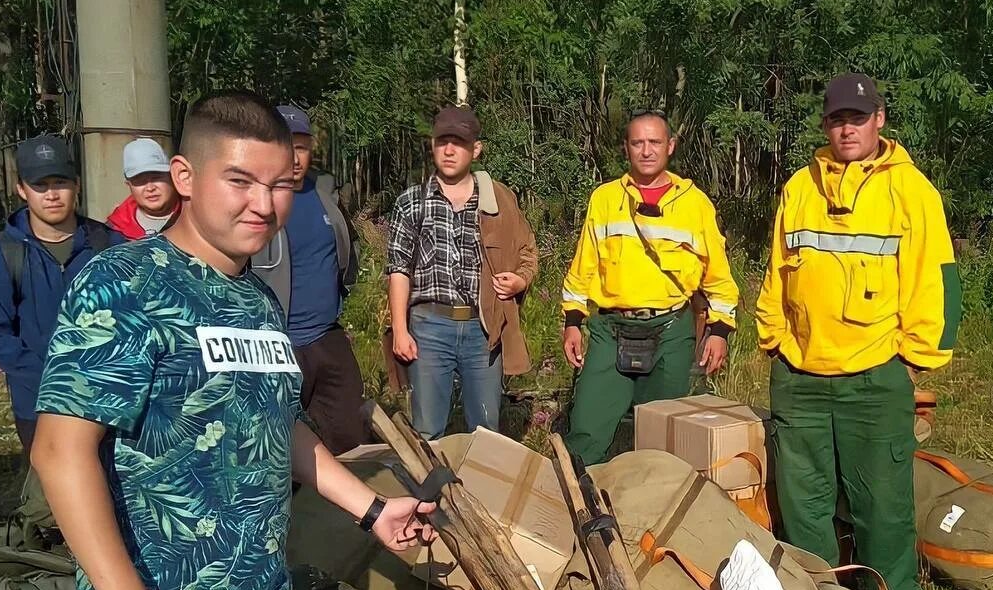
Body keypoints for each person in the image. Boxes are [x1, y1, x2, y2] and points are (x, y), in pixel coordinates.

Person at [29, 91, 436, 590]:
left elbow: (280, 426)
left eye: (281, 184)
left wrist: (372, 509)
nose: (265, 203)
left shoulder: (254, 300)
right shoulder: (125, 285)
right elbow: (60, 451)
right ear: (184, 175)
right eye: (241, 181)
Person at [754, 73, 962, 590]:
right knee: (804, 506)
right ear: (826, 124)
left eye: (858, 118)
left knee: (882, 506)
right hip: (799, 378)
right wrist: (773, 338)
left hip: (873, 377)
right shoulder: (801, 186)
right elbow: (778, 270)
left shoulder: (910, 190)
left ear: (879, 120)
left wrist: (916, 360)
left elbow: (935, 281)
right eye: (838, 119)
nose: (847, 129)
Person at [560, 111, 740, 464]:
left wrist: (719, 330)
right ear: (626, 148)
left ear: (670, 146)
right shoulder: (605, 199)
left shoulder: (694, 204)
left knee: (663, 439)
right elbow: (583, 267)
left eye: (654, 142)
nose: (646, 151)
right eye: (637, 142)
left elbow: (718, 276)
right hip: (610, 330)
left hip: (670, 331)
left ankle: (652, 512)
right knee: (585, 432)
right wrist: (572, 322)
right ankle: (577, 509)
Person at [386, 105, 537, 439]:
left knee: (486, 433)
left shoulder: (499, 200)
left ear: (476, 149)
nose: (450, 150)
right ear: (432, 145)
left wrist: (520, 280)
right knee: (426, 431)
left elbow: (527, 250)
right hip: (428, 326)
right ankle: (430, 492)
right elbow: (399, 269)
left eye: (459, 142)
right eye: (443, 141)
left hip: (483, 329)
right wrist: (400, 329)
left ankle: (480, 491)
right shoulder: (412, 201)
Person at [0, 134, 122, 457]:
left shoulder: (111, 246)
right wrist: (56, 381)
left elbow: (137, 324)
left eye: (60, 182)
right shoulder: (3, 253)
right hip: (39, 408)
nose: (52, 194)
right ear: (21, 189)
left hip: (109, 405)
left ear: (77, 185)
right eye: (40, 185)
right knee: (53, 502)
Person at [249, 104, 365, 454]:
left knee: (352, 436)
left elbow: (348, 248)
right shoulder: (252, 202)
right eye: (285, 145)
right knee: (277, 444)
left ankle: (354, 507)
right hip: (274, 343)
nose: (294, 157)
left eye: (300, 146)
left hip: (326, 337)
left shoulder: (325, 195)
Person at [106, 137, 182, 239]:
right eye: (140, 181)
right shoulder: (113, 231)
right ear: (129, 185)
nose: (150, 188)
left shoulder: (196, 216)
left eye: (156, 177)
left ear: (172, 176)